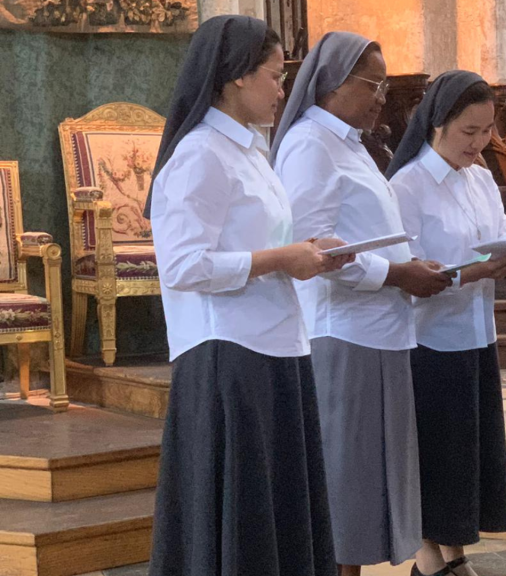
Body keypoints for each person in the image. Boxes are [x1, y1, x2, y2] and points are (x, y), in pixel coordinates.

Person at [145, 15, 350, 576]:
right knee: (241, 517)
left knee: (277, 509)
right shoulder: (199, 154)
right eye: (275, 75)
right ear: (235, 76)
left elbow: (256, 243)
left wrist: (307, 251)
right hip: (226, 353)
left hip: (277, 343)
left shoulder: (248, 151)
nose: (283, 88)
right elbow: (185, 264)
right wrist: (283, 259)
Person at [271, 31, 453, 576]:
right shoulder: (309, 145)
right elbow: (312, 247)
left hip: (378, 330)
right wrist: (399, 273)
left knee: (363, 485)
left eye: (384, 85)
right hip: (342, 332)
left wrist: (408, 269)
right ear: (332, 84)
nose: (381, 96)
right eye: (372, 84)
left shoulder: (348, 144)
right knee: (344, 482)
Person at [387, 70, 506, 576]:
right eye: (468, 132)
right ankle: (430, 561)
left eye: (487, 130)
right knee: (439, 457)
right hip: (430, 341)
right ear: (437, 124)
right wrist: (476, 270)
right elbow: (408, 272)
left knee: (468, 460)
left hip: (477, 333)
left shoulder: (480, 178)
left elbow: (497, 238)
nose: (479, 143)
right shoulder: (407, 186)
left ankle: (455, 557)